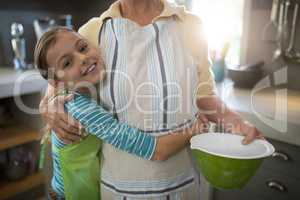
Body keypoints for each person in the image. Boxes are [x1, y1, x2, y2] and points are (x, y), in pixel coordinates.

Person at [40, 0, 264, 199]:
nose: (80, 54)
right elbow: (60, 84)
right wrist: (48, 104)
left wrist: (237, 122)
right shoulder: (92, 32)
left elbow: (204, 97)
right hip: (118, 189)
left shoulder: (190, 25)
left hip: (182, 185)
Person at [35, 26, 207, 200]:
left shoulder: (74, 95)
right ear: (57, 83)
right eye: (67, 63)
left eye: (82, 48)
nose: (82, 58)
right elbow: (155, 150)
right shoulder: (81, 109)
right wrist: (195, 129)